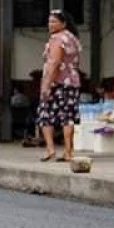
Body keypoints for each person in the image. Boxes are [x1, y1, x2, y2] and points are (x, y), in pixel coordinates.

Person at [37, 9, 83, 162]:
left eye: (54, 21)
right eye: (49, 21)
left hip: (57, 82)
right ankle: (68, 151)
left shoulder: (57, 39)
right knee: (67, 116)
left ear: (63, 23)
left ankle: (51, 149)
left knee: (45, 115)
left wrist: (46, 84)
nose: (50, 24)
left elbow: (54, 63)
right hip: (72, 81)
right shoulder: (72, 38)